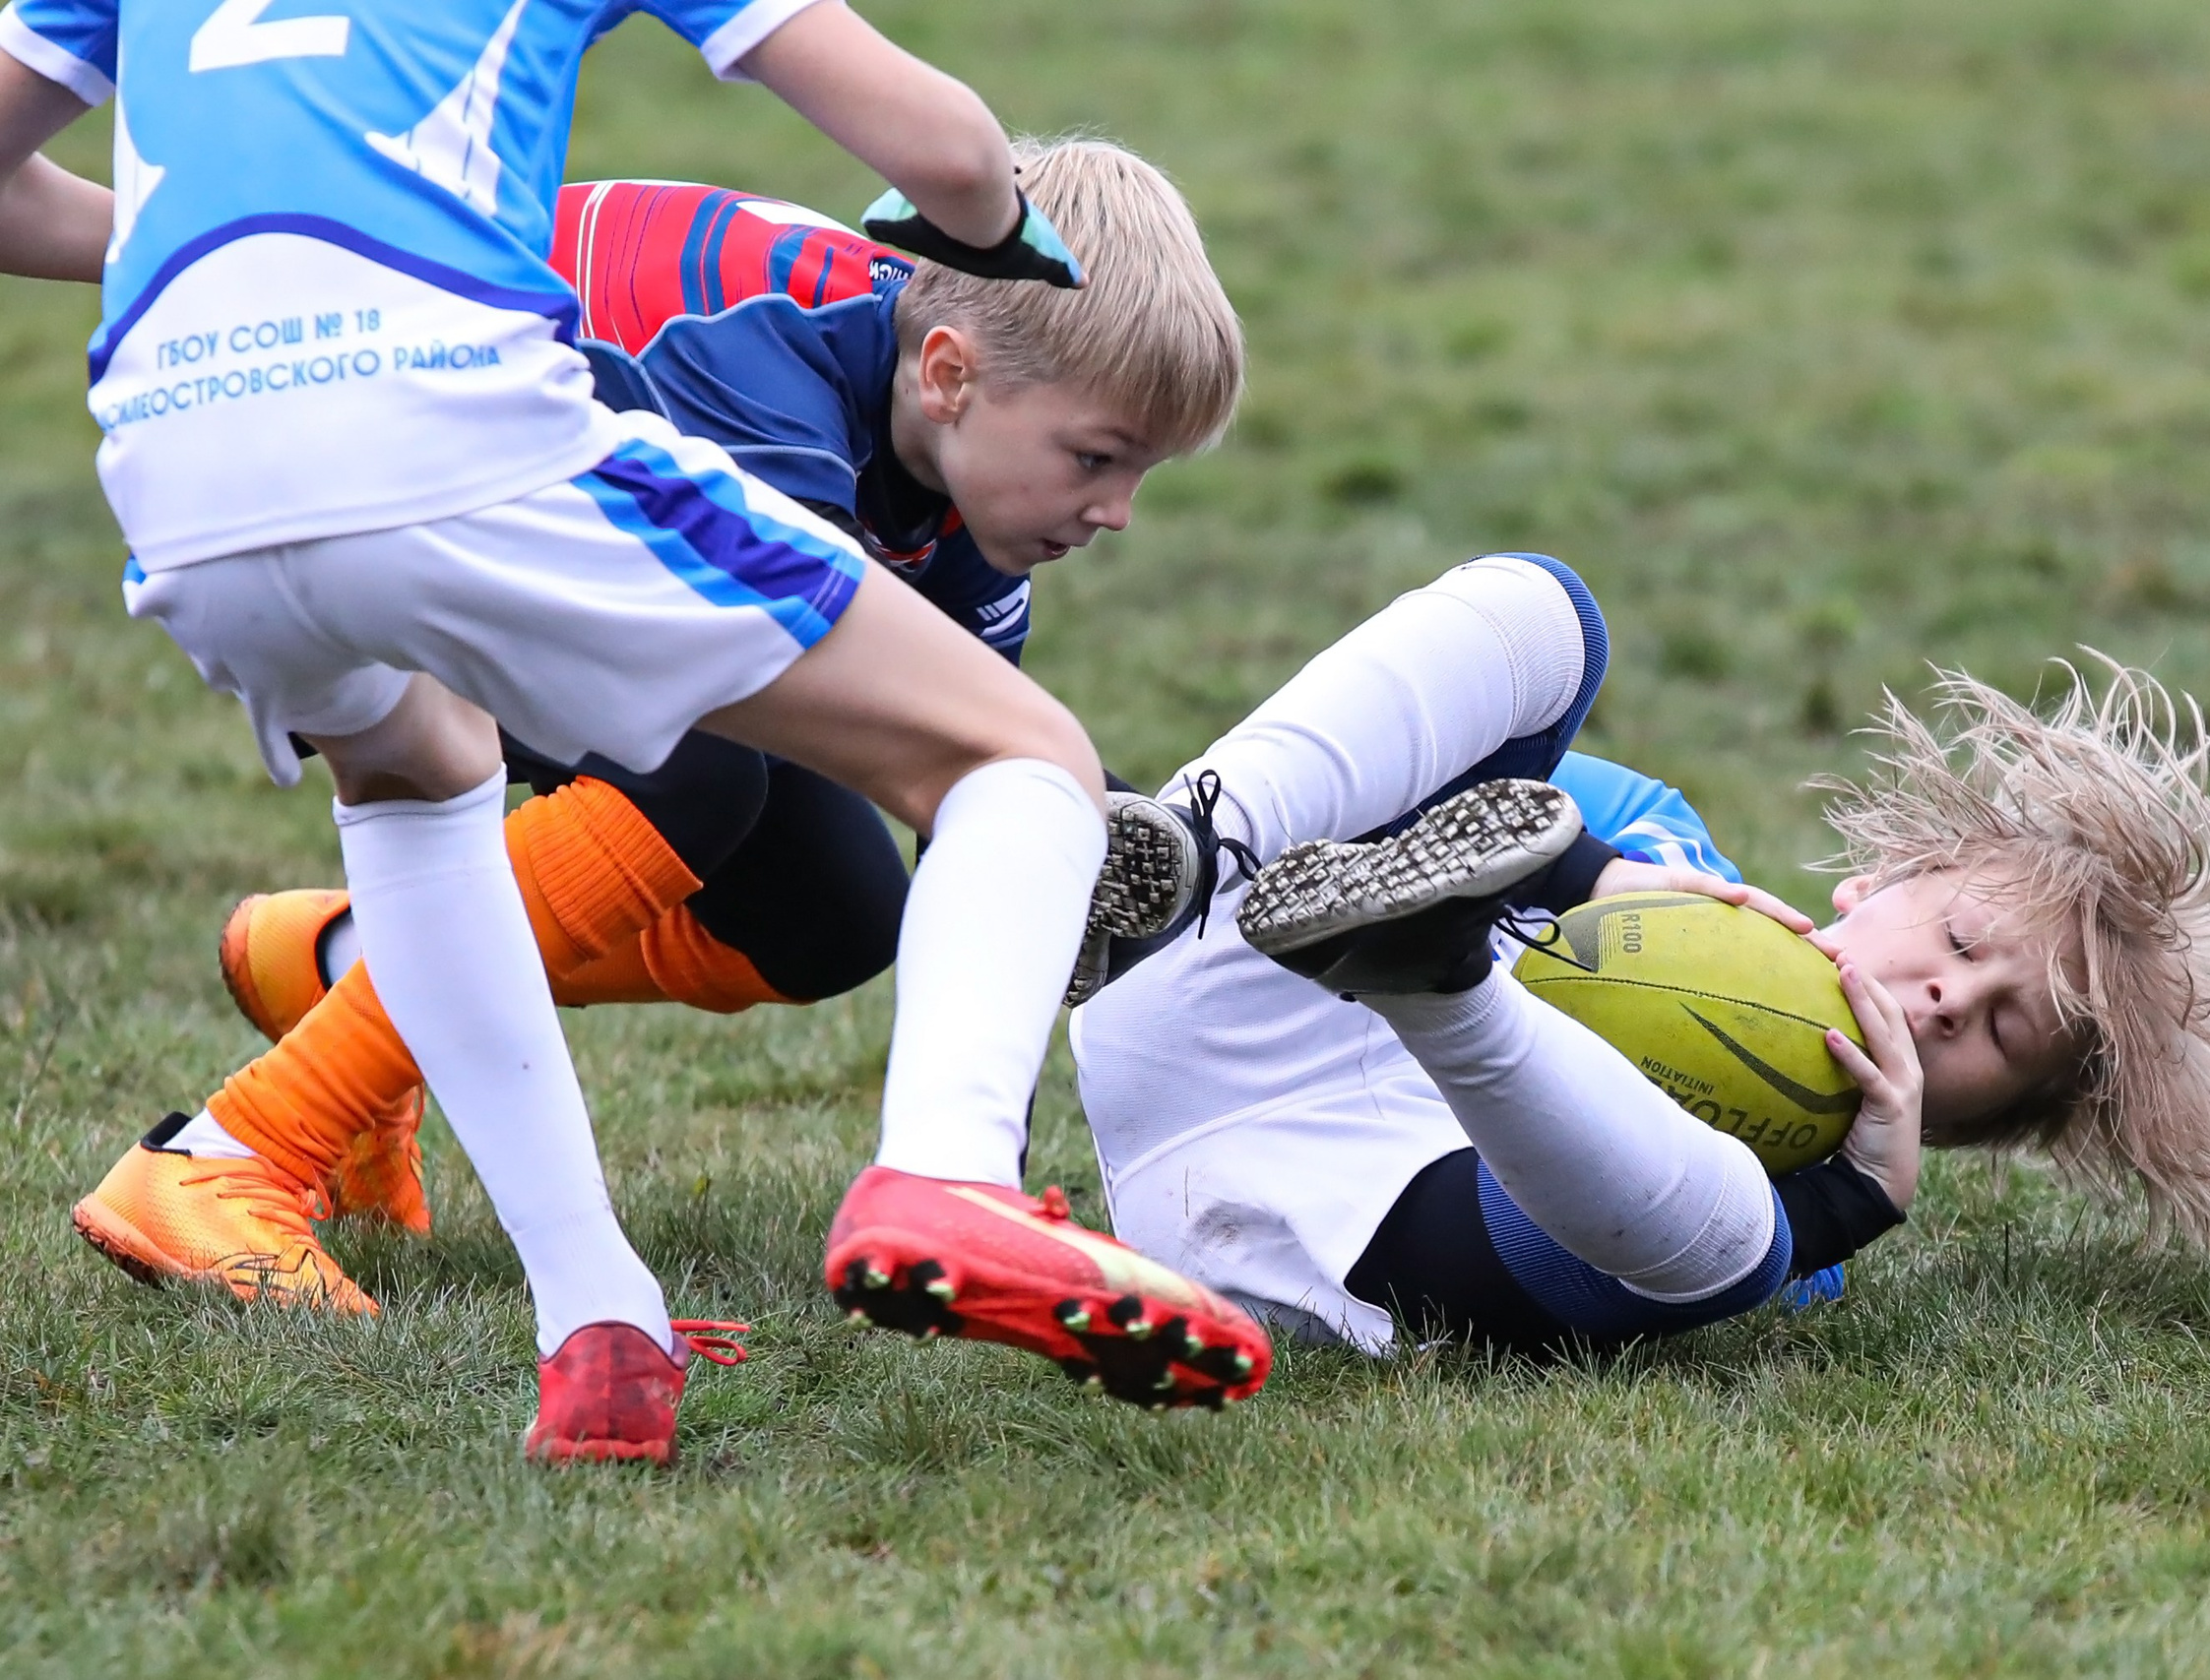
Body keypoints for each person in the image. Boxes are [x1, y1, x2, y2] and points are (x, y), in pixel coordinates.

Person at [0, 0, 1265, 1461]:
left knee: (720, 869)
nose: (1114, 508)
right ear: (952, 369)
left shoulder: (985, 475)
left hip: (180, 446)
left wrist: (245, 251)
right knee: (982, 757)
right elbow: (953, 154)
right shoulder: (779, 317)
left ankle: (595, 1320)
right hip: (438, 408)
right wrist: (1001, 223)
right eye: (1102, 458)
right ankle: (939, 1175)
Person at [1067, 554, 2210, 1352]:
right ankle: (1171, 846)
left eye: (1997, 1031)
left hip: (1297, 1231)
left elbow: (1674, 1289)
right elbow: (1412, 777)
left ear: (1969, 1121)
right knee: (1544, 613)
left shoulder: (1804, 1226)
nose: (1945, 996)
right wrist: (1599, 874)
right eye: (1964, 942)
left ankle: (1436, 971)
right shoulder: (1656, 834)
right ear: (1883, 883)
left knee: (1720, 1253)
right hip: (1212, 985)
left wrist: (1847, 1206)